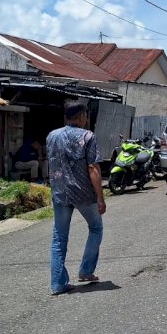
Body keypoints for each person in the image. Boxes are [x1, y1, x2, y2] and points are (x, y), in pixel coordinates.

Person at [46, 101, 107, 296]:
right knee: (96, 228)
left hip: (59, 193)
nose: (86, 119)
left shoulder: (51, 136)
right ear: (81, 116)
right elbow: (92, 169)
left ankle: (57, 284)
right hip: (83, 193)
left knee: (59, 237)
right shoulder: (88, 136)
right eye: (86, 115)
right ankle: (86, 271)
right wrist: (100, 197)